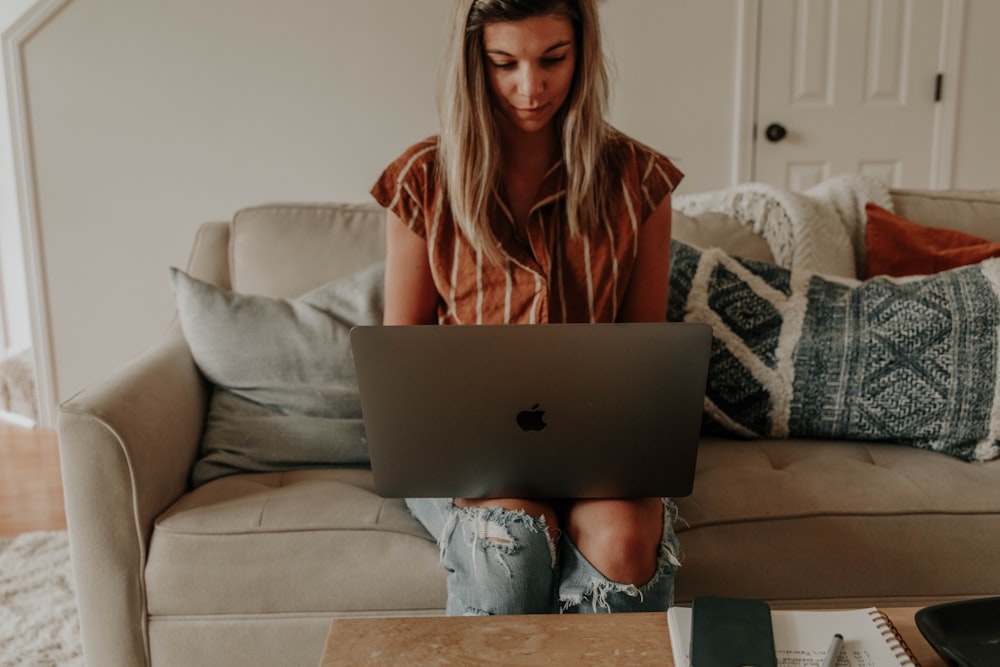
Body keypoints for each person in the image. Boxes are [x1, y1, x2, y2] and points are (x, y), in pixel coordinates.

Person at [370, 0, 684, 615]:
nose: (530, 87)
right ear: (473, 63)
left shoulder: (639, 180)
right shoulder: (421, 180)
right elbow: (399, 369)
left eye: (553, 59)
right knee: (507, 537)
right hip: (464, 453)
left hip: (600, 446)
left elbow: (647, 359)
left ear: (583, 54)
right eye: (503, 62)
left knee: (621, 541)